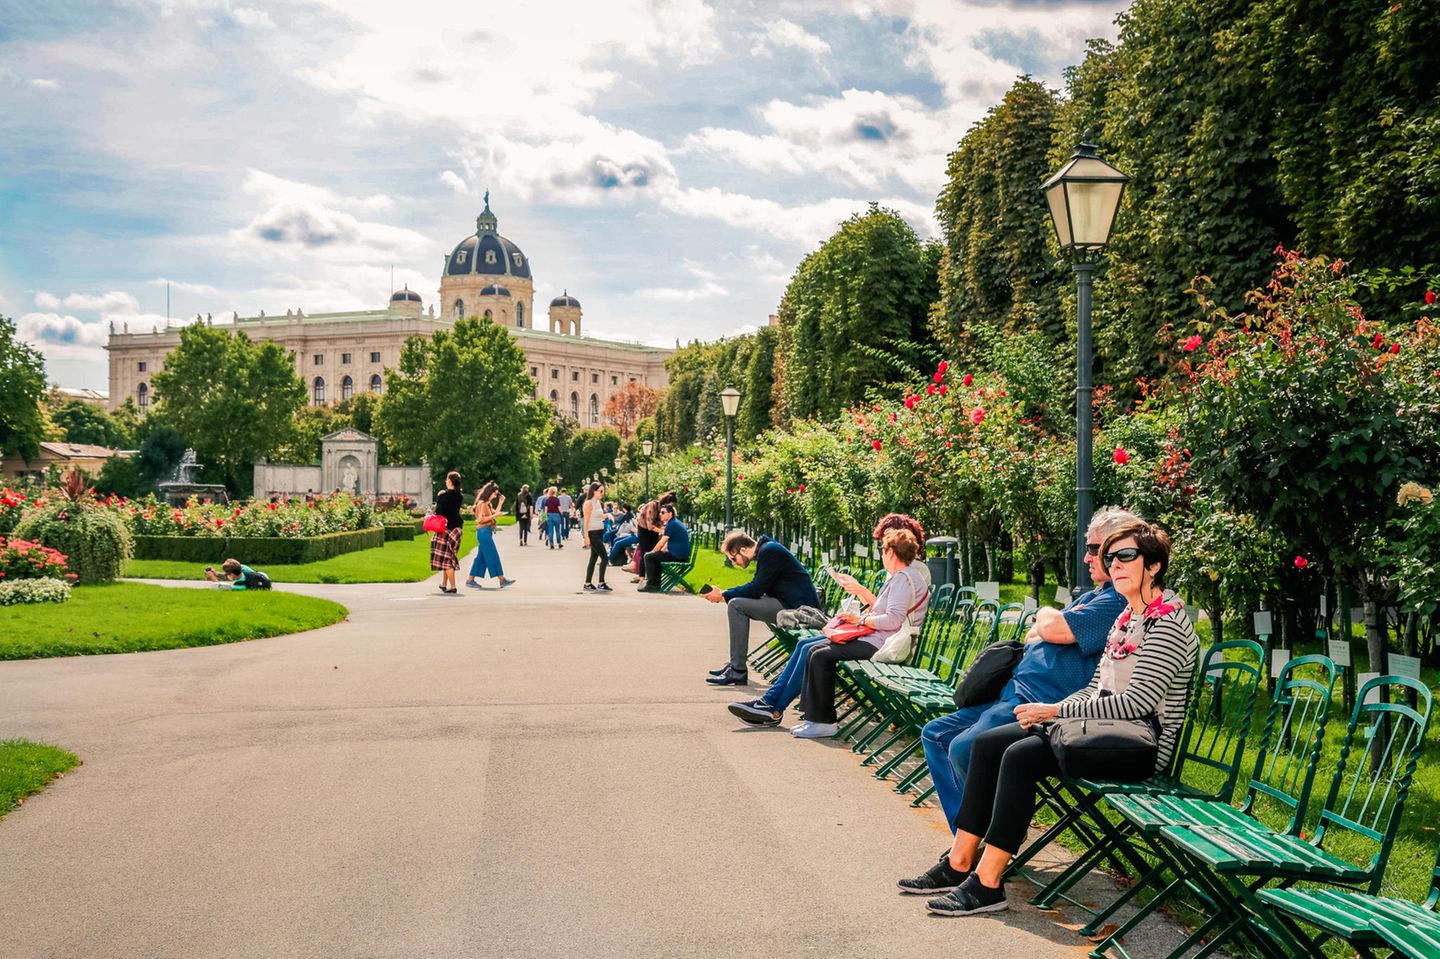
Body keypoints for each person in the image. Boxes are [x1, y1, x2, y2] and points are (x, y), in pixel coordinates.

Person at [914, 521, 1198, 917]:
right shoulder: (1127, 619)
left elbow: (1137, 702)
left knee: (1018, 756)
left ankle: (988, 884)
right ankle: (961, 861)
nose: (1114, 564)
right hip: (1100, 730)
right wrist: (1054, 713)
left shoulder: (1166, 623)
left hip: (1138, 746)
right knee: (989, 742)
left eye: (1126, 556)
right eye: (1109, 557)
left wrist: (1056, 711)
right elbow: (1096, 687)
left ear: (1153, 566)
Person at [900, 507, 1139, 868]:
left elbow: (1054, 628)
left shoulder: (1115, 601)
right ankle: (968, 841)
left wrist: (1046, 616)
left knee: (965, 747)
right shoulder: (1096, 594)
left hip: (1038, 703)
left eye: (1096, 550)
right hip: (1013, 693)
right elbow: (1037, 631)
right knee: (936, 733)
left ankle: (983, 844)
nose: (1088, 557)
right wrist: (1047, 622)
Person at [789, 528, 930, 739]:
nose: (882, 554)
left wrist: (860, 620)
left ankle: (824, 722)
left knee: (820, 655)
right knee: (815, 650)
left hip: (883, 644)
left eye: (883, 550)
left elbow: (893, 619)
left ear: (891, 552)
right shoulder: (902, 577)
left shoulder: (903, 579)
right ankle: (813, 718)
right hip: (878, 639)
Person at [702, 530, 821, 687]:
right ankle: (735, 665)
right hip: (787, 603)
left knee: (736, 605)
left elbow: (755, 589)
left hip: (800, 610)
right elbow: (757, 586)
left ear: (743, 550)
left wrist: (724, 594)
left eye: (733, 558)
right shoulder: (767, 550)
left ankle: (737, 670)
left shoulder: (770, 551)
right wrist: (726, 594)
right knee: (737, 602)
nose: (734, 562)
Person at [465, 481, 515, 590]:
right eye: (495, 494)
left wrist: (501, 503)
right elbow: (481, 519)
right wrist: (495, 515)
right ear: (489, 492)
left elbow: (494, 514)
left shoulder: (487, 503)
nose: (495, 496)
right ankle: (502, 579)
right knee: (493, 555)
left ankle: (470, 580)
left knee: (481, 558)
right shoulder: (482, 504)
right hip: (483, 532)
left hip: (486, 532)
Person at [638, 503, 689, 592]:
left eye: (663, 512)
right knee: (655, 557)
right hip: (680, 554)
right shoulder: (674, 522)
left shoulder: (672, 524)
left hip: (677, 556)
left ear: (670, 514)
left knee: (648, 557)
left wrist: (652, 552)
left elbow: (661, 543)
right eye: (660, 512)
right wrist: (656, 552)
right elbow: (665, 543)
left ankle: (651, 585)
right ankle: (655, 584)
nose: (660, 514)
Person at [431, 471, 464, 594]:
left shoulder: (443, 496)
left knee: (446, 559)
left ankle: (453, 586)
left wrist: (439, 497)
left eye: (446, 479)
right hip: (457, 529)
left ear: (449, 481)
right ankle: (444, 583)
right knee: (449, 556)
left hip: (446, 529)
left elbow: (439, 512)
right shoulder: (459, 496)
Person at [581, 482, 612, 592]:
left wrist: (607, 515)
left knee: (593, 559)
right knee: (604, 558)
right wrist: (586, 536)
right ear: (594, 491)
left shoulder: (598, 503)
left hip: (599, 532)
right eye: (601, 491)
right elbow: (586, 520)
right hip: (592, 533)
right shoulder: (588, 503)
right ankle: (601, 582)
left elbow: (599, 516)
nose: (602, 493)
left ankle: (588, 583)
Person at [204, 558, 271, 590]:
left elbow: (219, 587)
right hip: (264, 576)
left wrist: (213, 578)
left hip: (261, 587)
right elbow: (230, 575)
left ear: (232, 575)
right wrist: (217, 574)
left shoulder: (240, 585)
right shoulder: (243, 568)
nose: (225, 574)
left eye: (227, 573)